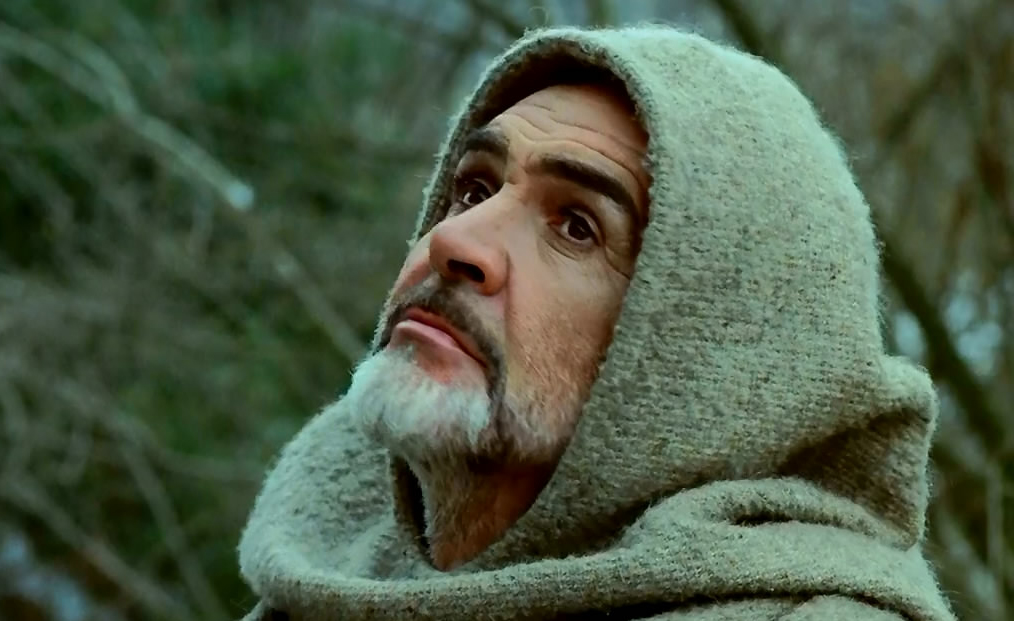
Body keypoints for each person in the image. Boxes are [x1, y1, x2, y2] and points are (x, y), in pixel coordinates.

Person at [236, 25, 956, 621]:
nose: (455, 241)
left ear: (708, 366)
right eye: (474, 187)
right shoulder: (317, 577)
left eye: (576, 226)